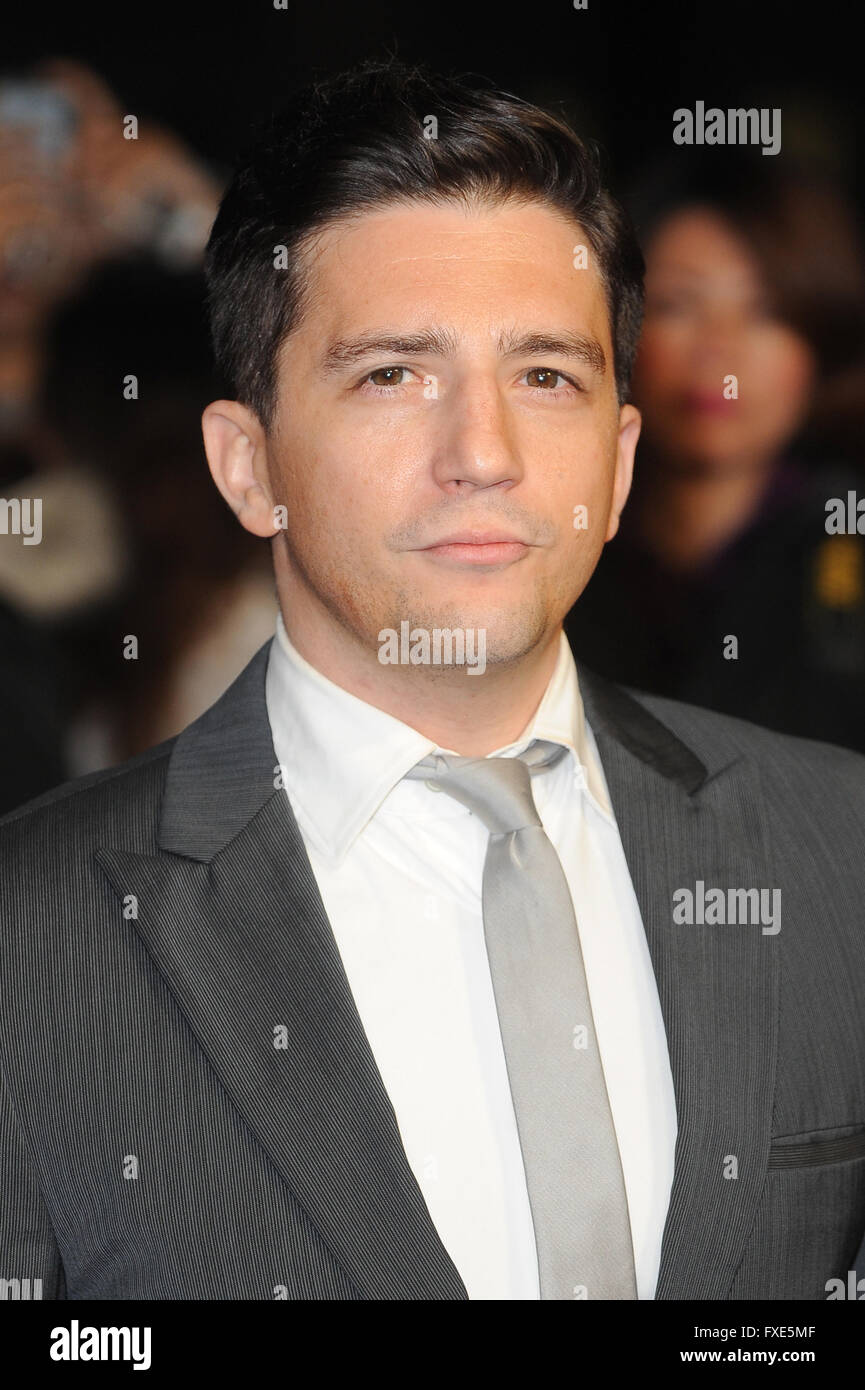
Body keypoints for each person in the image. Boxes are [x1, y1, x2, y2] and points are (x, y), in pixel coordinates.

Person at [1, 59, 864, 1303]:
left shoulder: (832, 844)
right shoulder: (35, 939)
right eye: (392, 374)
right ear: (248, 469)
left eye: (545, 376)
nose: (483, 455)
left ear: (619, 464)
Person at [564, 154, 865, 749]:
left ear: (821, 339)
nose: (719, 354)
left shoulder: (846, 554)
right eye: (679, 304)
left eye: (766, 312)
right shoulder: (554, 548)